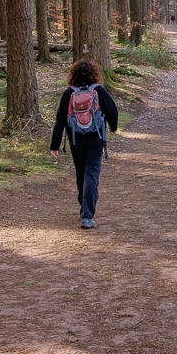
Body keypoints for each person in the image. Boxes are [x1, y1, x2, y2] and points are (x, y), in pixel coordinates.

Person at [49, 59, 118, 229]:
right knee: (92, 174)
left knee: (81, 173)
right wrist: (113, 127)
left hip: (75, 140)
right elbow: (112, 110)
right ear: (94, 74)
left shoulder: (69, 93)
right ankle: (88, 215)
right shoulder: (98, 90)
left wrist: (54, 145)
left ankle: (84, 207)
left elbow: (60, 120)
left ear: (73, 75)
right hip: (95, 139)